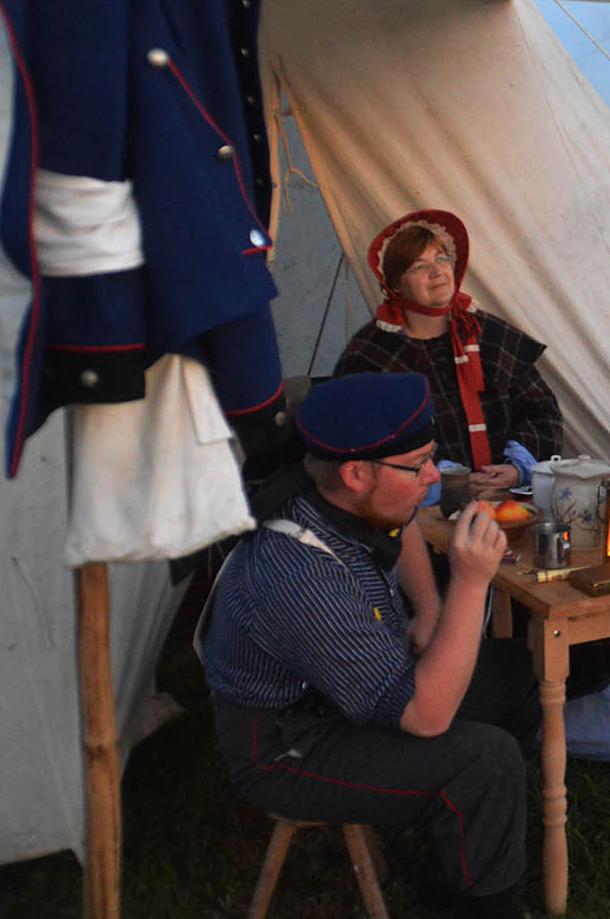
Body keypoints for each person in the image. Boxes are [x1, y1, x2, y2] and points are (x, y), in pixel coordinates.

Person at [202, 372, 540, 919]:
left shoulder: (343, 494)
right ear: (357, 473)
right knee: (486, 761)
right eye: (418, 466)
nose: (432, 476)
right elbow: (426, 716)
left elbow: (399, 520)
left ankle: (459, 852)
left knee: (516, 676)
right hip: (290, 742)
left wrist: (429, 609)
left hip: (340, 691)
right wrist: (469, 583)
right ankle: (482, 907)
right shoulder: (300, 572)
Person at [333, 208, 562, 498]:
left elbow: (543, 413)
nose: (436, 271)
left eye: (441, 258)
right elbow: (363, 443)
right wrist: (443, 480)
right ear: (394, 286)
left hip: (508, 500)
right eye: (418, 266)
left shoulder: (488, 334)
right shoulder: (370, 355)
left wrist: (516, 469)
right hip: (414, 512)